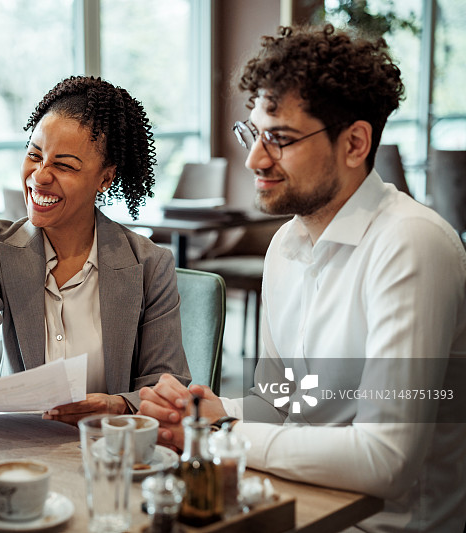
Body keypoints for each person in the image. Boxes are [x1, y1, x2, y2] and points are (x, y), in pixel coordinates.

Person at [138, 25, 466, 532]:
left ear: (355, 143)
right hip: (297, 510)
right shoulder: (286, 245)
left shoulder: (412, 244)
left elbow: (387, 458)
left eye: (281, 138)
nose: (254, 159)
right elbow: (280, 401)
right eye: (253, 133)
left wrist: (220, 432)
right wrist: (208, 407)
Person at [0, 76, 191, 424]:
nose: (40, 176)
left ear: (105, 178)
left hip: (106, 448)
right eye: (34, 155)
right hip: (18, 446)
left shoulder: (150, 264)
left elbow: (166, 384)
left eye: (64, 165)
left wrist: (117, 406)